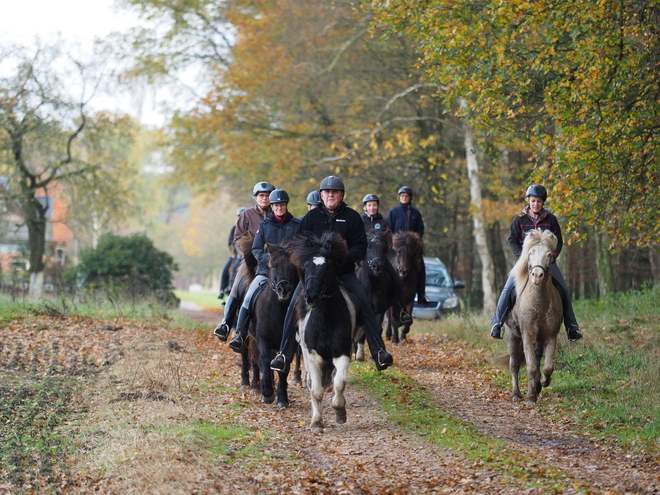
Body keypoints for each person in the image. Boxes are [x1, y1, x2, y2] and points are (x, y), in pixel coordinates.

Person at [270, 176, 394, 372]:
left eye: (334, 192)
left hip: (342, 274)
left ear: (341, 195)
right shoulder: (310, 218)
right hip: (313, 276)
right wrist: (313, 262)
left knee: (364, 303)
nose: (330, 195)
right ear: (321, 195)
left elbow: (360, 248)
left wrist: (338, 259)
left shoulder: (352, 217)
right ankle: (284, 354)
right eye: (327, 192)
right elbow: (298, 246)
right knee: (293, 305)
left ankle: (379, 351)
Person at [490, 184, 583, 342]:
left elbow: (559, 241)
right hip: (525, 262)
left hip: (546, 262)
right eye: (533, 201)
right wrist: (522, 256)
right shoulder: (519, 220)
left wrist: (553, 255)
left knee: (563, 289)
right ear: (529, 201)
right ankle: (497, 323)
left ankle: (571, 326)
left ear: (542, 203)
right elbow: (512, 240)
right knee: (508, 288)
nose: (535, 204)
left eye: (539, 201)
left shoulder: (551, 219)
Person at [228, 189, 301, 352]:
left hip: (290, 274)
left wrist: (292, 261)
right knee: (248, 297)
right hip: (266, 273)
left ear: (286, 205)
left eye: (282, 205)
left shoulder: (296, 225)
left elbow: (302, 247)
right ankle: (239, 333)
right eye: (276, 205)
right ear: (272, 206)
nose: (279, 208)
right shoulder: (265, 225)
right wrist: (269, 261)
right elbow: (256, 248)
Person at [214, 181, 275, 341]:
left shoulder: (276, 213)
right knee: (237, 286)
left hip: (272, 260)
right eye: (261, 195)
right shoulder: (247, 215)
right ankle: (225, 324)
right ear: (255, 198)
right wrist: (247, 253)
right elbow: (237, 239)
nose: (264, 198)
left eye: (267, 195)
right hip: (250, 260)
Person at [361, 194, 412, 325]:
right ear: (365, 207)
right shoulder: (360, 221)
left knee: (396, 279)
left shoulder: (383, 222)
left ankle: (400, 312)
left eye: (374, 205)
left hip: (380, 258)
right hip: (363, 258)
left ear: (377, 206)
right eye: (369, 205)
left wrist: (384, 254)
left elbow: (389, 241)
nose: (372, 207)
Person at [386, 186, 432, 305]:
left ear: (410, 198)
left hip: (412, 249)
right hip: (397, 249)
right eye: (402, 196)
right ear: (399, 197)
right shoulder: (393, 212)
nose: (404, 198)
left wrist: (416, 239)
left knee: (421, 268)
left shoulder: (416, 213)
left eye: (406, 196)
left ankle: (421, 295)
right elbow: (388, 229)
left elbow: (420, 229)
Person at [218, 207, 247, 298]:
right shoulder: (234, 229)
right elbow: (231, 242)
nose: (241, 218)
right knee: (227, 268)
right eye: (240, 216)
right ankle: (224, 289)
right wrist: (237, 252)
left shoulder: (249, 229)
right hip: (237, 254)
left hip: (247, 253)